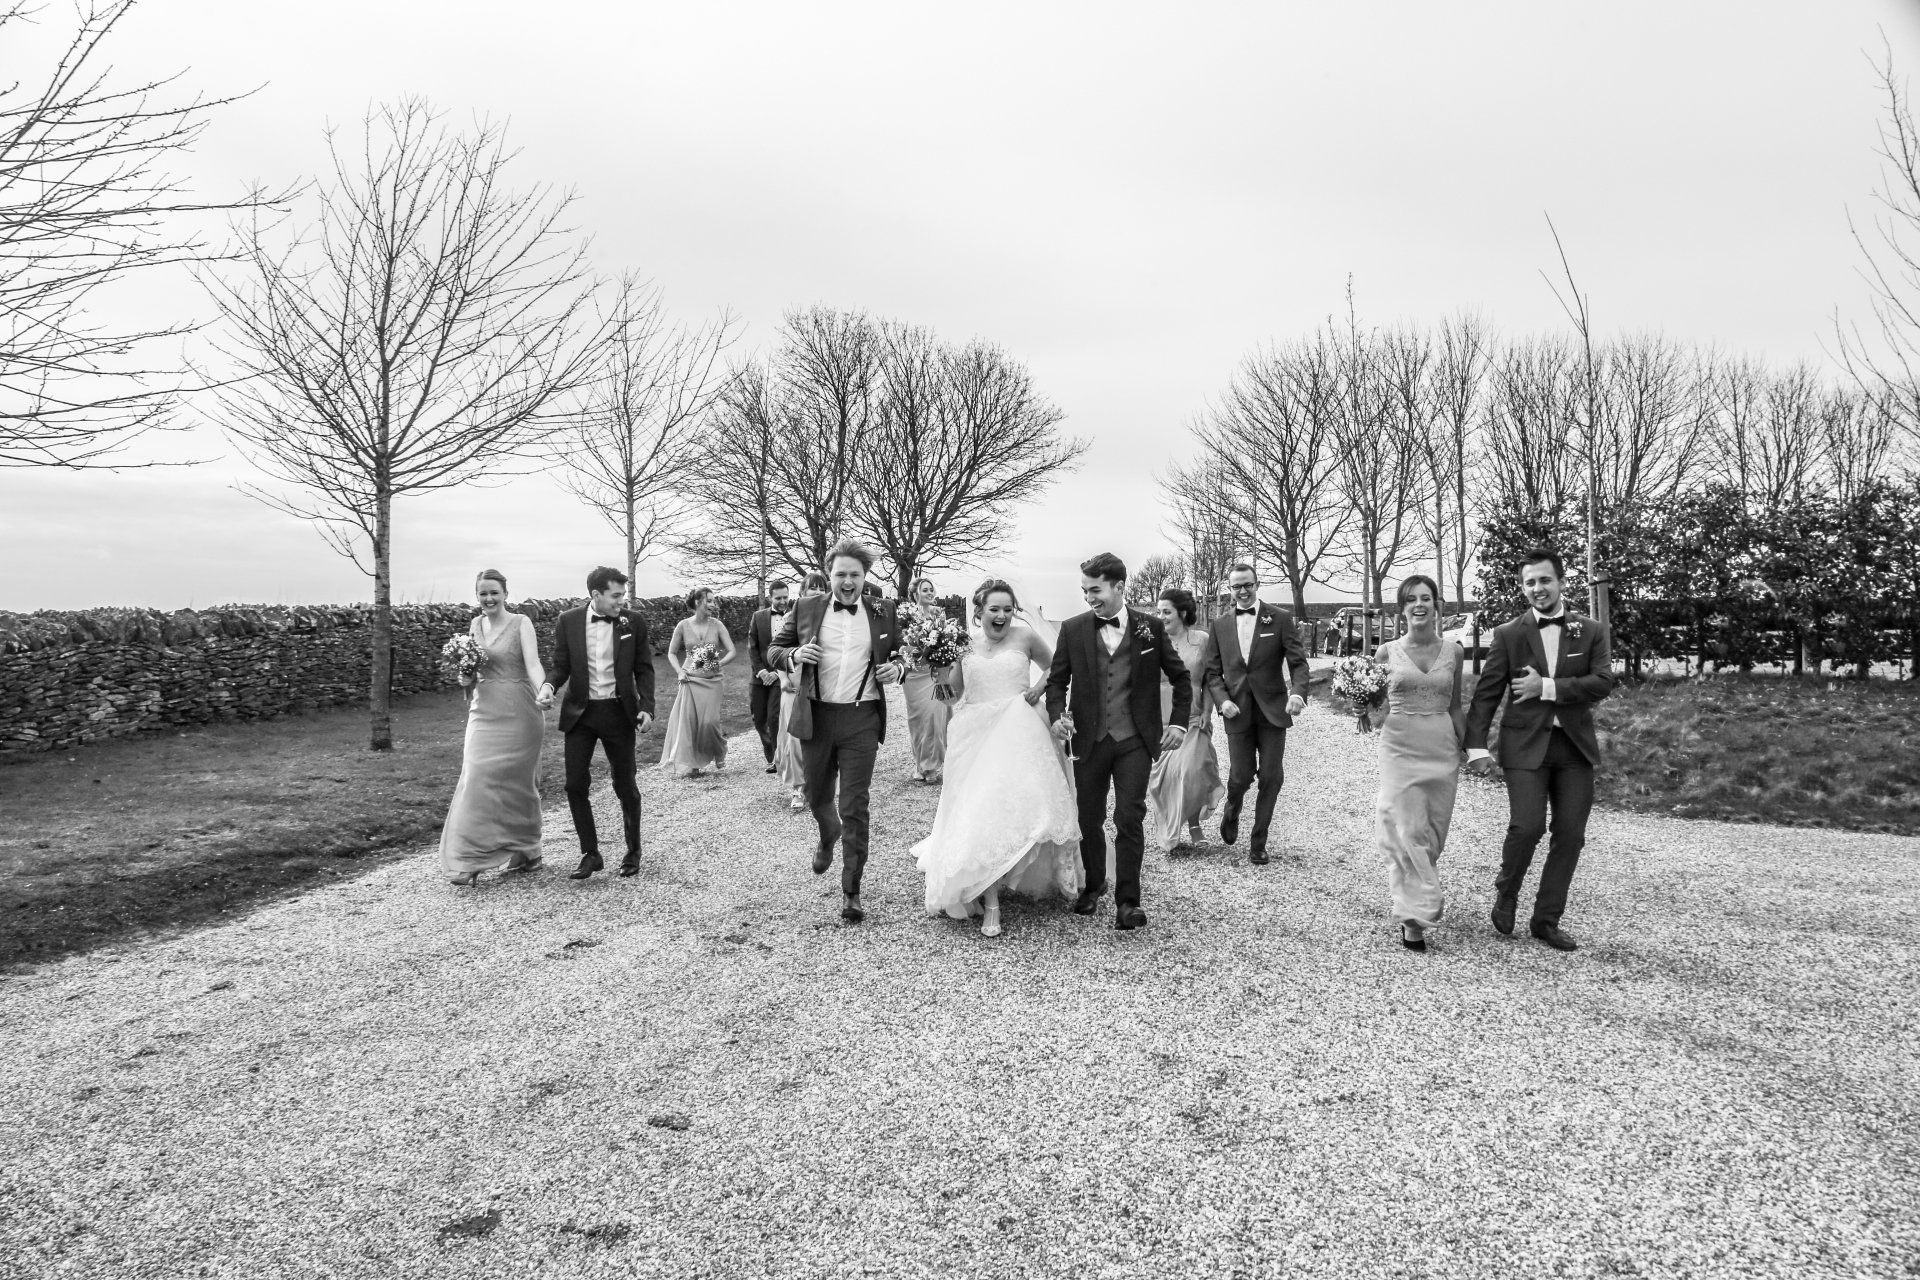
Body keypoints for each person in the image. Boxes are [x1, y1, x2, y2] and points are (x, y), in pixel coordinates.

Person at [1465, 546, 1615, 952]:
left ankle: (1546, 920)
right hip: (1524, 745)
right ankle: (1507, 890)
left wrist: (1546, 687)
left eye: (1545, 580)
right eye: (1530, 582)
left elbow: (1602, 682)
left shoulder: (1591, 630)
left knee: (1570, 835)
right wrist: (1475, 745)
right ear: (1523, 587)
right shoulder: (1509, 635)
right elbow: (1486, 694)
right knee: (1527, 826)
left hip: (1574, 748)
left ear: (1562, 582)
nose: (1538, 588)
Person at [913, 580, 1080, 938]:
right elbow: (954, 692)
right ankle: (990, 898)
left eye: (1007, 609)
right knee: (978, 810)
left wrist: (1037, 689)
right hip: (974, 730)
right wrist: (939, 670)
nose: (1002, 615)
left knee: (1015, 805)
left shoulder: (1025, 638)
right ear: (979, 612)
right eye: (994, 609)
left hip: (1018, 725)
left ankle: (1026, 872)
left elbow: (1058, 667)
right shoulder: (963, 644)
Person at [1044, 551, 1192, 931]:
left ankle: (1129, 902)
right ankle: (1093, 885)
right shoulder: (1074, 629)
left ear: (1119, 586)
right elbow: (1057, 681)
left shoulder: (1150, 628)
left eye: (1095, 590)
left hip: (1134, 741)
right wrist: (1057, 715)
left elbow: (1181, 679)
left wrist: (1177, 723)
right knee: (1089, 818)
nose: (1089, 598)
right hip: (1089, 739)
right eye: (1084, 591)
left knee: (1129, 817)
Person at [768, 540, 907, 924]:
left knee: (855, 804)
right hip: (817, 717)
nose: (848, 581)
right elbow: (774, 650)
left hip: (862, 719)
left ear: (865, 577)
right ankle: (827, 831)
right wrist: (794, 655)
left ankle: (852, 890)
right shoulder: (807, 607)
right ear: (830, 575)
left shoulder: (883, 611)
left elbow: (899, 653)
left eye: (855, 575)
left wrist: (898, 669)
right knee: (817, 795)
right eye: (841, 574)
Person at [538, 566, 656, 880]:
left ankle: (633, 850)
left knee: (624, 784)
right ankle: (590, 853)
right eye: (616, 596)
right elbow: (560, 665)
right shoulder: (568, 621)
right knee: (574, 784)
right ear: (596, 595)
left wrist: (647, 707)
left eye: (623, 595)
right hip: (581, 714)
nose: (622, 601)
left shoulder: (634, 622)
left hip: (619, 713)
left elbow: (644, 669)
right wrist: (549, 686)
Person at [1369, 575, 1466, 952]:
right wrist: (1362, 702)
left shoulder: (1454, 652)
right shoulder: (1386, 652)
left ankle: (1418, 895)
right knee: (1407, 829)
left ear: (1436, 604)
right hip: (1400, 743)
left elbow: (1456, 707)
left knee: (1432, 831)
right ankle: (1415, 916)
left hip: (1441, 746)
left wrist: (1469, 747)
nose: (1419, 605)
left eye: (1426, 598)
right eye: (1412, 599)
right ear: (1403, 608)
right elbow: (1376, 706)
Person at [440, 569, 546, 885]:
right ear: (477, 595)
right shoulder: (474, 625)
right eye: (483, 593)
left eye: (494, 593)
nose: (488, 599)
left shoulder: (521, 623)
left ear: (505, 594)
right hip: (483, 711)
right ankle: (469, 859)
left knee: (517, 783)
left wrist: (544, 689)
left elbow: (533, 664)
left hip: (520, 711)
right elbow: (472, 670)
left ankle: (528, 849)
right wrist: (465, 677)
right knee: (475, 775)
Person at [1202, 562, 1311, 865]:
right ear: (1229, 588)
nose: (1243, 591)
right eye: (1236, 586)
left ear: (1257, 584)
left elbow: (1299, 663)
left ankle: (1258, 841)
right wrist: (1222, 701)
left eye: (1247, 584)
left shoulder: (1280, 618)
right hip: (1236, 711)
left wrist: (1299, 693)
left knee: (1271, 776)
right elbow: (1212, 673)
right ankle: (1232, 809)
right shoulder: (1220, 625)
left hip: (1273, 710)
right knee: (1239, 775)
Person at [1148, 587, 1225, 852]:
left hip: (1193, 717)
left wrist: (1207, 712)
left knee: (1190, 770)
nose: (1161, 617)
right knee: (1167, 777)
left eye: (1166, 612)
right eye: (1158, 612)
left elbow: (1210, 680)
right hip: (1160, 720)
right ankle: (1170, 823)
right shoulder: (1151, 640)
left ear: (1182, 613)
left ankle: (1193, 825)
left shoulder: (1200, 641)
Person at [660, 586, 735, 778]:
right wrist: (679, 672)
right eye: (709, 601)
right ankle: (693, 764)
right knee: (690, 723)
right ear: (697, 602)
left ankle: (719, 749)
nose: (713, 604)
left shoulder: (717, 625)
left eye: (713, 601)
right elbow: (671, 653)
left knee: (710, 722)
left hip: (712, 680)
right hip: (690, 678)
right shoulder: (682, 625)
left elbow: (732, 651)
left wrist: (718, 664)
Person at [772, 572, 826, 811]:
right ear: (802, 594)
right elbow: (777, 652)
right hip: (794, 685)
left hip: (820, 687)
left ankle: (818, 785)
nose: (816, 592)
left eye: (820, 588)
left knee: (821, 738)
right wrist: (783, 678)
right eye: (811, 588)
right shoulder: (794, 617)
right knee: (795, 741)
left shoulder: (831, 618)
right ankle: (798, 789)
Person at [899, 576, 952, 785]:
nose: (930, 593)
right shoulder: (907, 616)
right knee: (917, 721)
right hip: (913, 674)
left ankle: (932, 766)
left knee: (935, 718)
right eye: (925, 590)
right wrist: (914, 649)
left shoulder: (940, 615)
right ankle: (920, 764)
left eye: (931, 589)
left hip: (935, 672)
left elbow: (947, 640)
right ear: (915, 594)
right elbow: (901, 645)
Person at [747, 580, 791, 772]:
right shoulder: (758, 617)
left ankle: (777, 759)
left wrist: (776, 673)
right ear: (770, 598)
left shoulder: (794, 616)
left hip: (781, 674)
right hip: (759, 676)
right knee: (758, 718)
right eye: (778, 598)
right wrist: (761, 671)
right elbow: (752, 646)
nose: (782, 601)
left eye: (785, 597)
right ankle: (770, 752)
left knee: (774, 717)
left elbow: (793, 647)